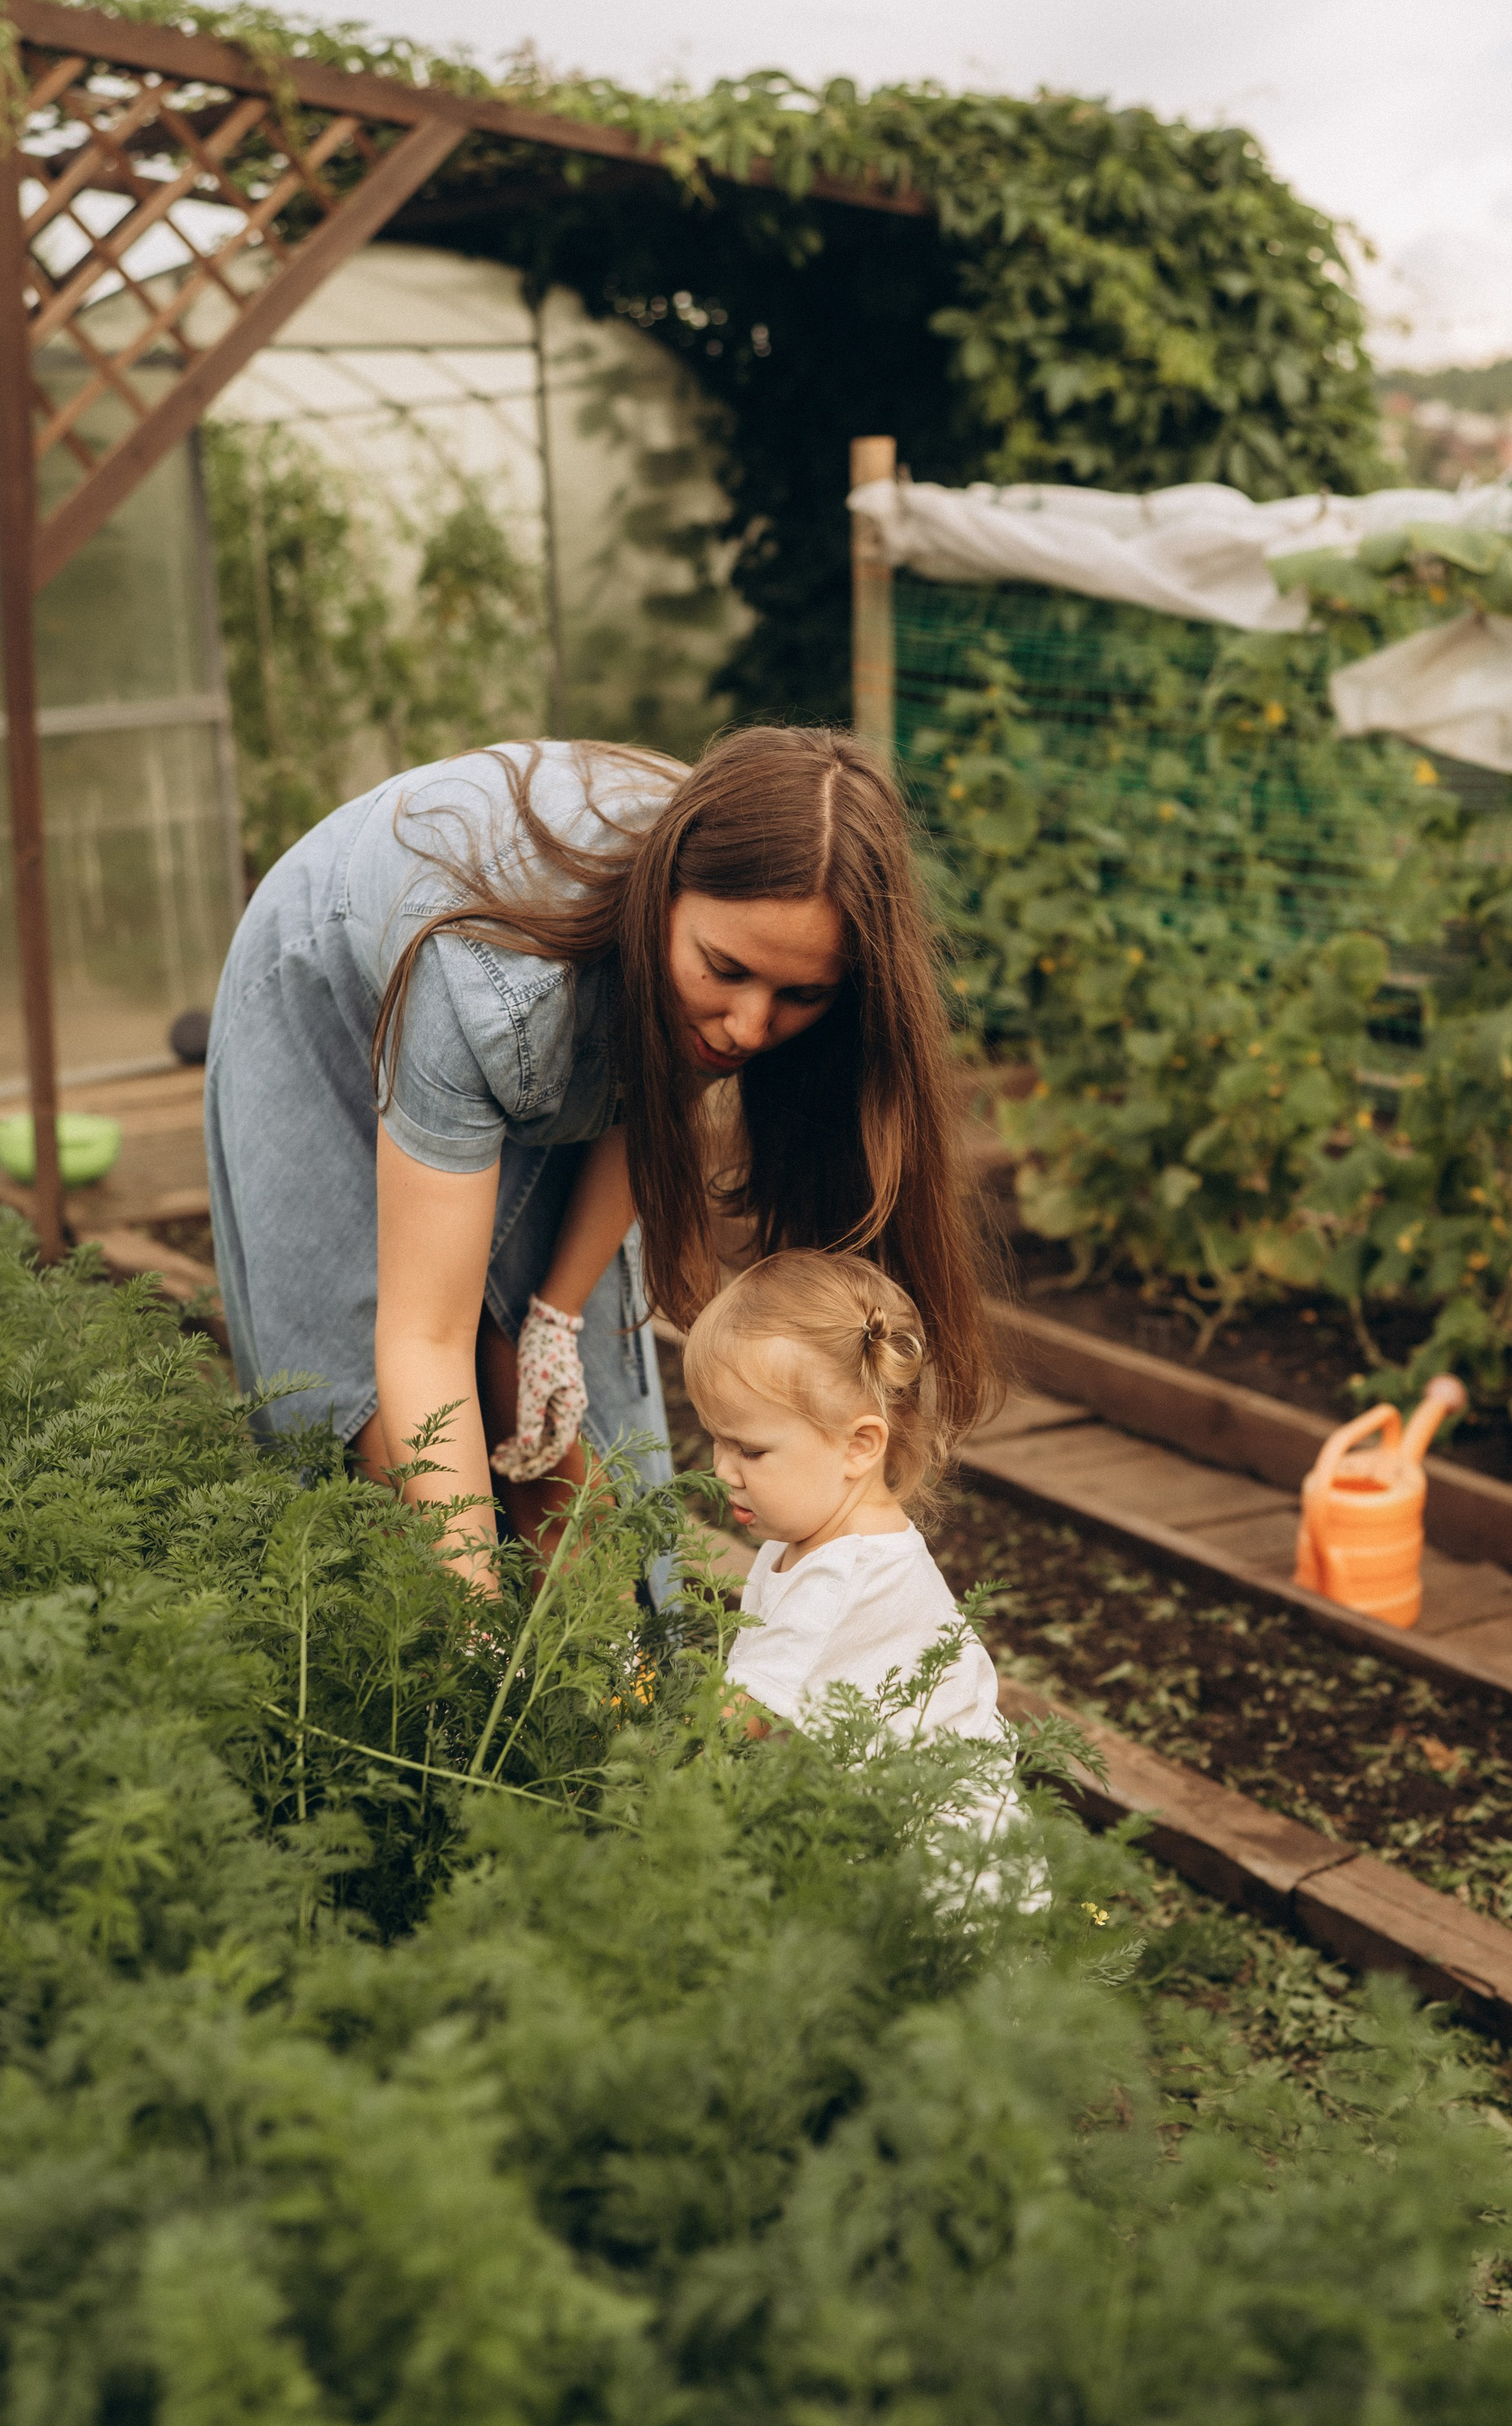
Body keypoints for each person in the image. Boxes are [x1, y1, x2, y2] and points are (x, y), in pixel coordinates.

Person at [205, 729, 997, 1586]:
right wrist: (466, 1620)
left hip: (525, 979)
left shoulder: (747, 901)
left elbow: (649, 1103)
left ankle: (604, 1681)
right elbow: (422, 1336)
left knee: (550, 1406)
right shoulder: (495, 988)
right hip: (326, 997)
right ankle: (454, 1661)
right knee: (381, 1430)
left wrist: (556, 1315)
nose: (749, 1027)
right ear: (660, 900)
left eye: (799, 995)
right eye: (725, 971)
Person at [681, 1250, 1006, 1741]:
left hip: (927, 1816)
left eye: (749, 1449)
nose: (721, 1468)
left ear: (858, 1447)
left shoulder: (838, 1581)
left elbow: (725, 1730)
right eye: (717, 1438)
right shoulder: (806, 1531)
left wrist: (636, 1716)